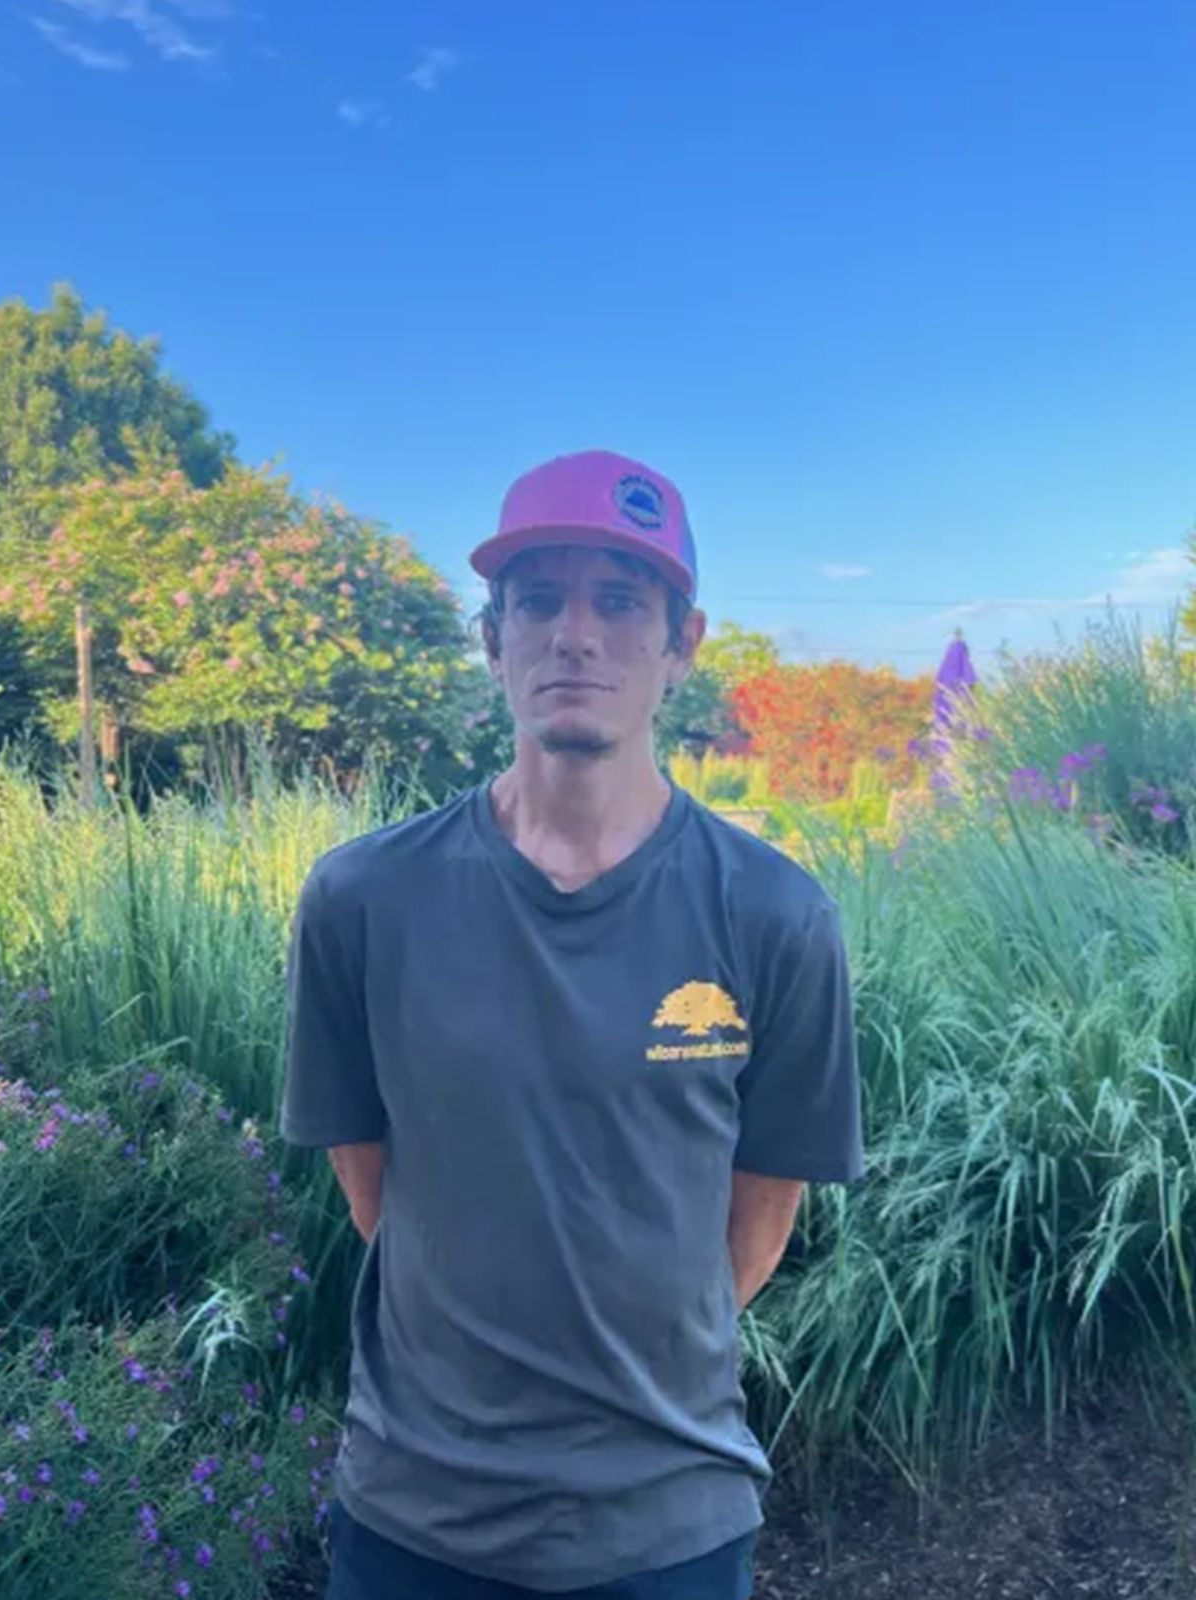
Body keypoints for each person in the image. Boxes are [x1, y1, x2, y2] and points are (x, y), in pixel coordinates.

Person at [280, 448, 866, 1600]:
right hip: (414, 1521)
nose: (575, 635)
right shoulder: (363, 900)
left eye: (620, 600)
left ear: (682, 643)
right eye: (538, 599)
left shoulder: (777, 915)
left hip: (667, 1525)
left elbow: (759, 1220)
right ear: (492, 641)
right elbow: (374, 1192)